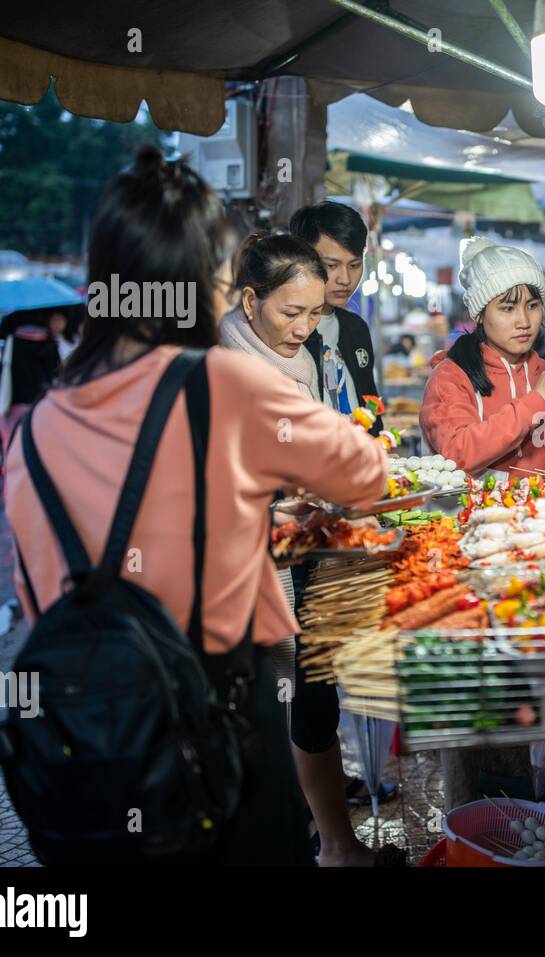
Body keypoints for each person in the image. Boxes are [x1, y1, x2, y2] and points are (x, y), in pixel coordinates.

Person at [5, 147, 389, 865]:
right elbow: (365, 470)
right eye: (219, 277)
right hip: (221, 731)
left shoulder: (35, 429)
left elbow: (42, 596)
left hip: (84, 740)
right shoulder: (225, 384)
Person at [222, 230, 389, 865]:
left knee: (315, 695)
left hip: (305, 555)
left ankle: (336, 847)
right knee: (260, 720)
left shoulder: (308, 358)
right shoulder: (228, 369)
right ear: (249, 301)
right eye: (291, 312)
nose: (305, 326)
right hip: (247, 576)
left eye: (315, 312)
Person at [419, 237, 545, 478]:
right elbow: (456, 453)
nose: (524, 322)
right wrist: (534, 403)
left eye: (532, 306)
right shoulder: (451, 377)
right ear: (480, 314)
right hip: (477, 514)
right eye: (507, 309)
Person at [289, 202, 381, 432]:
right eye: (332, 265)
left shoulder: (356, 328)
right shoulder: (288, 332)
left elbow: (370, 403)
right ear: (303, 258)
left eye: (354, 265)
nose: (345, 279)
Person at [0, 307, 64, 443]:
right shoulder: (48, 340)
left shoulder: (12, 337)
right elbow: (56, 372)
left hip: (16, 399)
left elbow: (4, 369)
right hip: (42, 401)